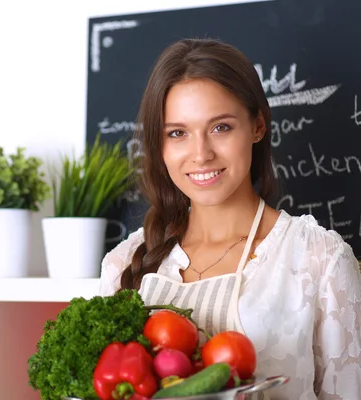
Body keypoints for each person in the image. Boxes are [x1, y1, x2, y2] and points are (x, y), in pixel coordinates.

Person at [98, 38, 361, 399]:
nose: (201, 153)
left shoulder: (319, 259)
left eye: (221, 127)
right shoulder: (123, 264)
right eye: (177, 133)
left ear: (257, 126)